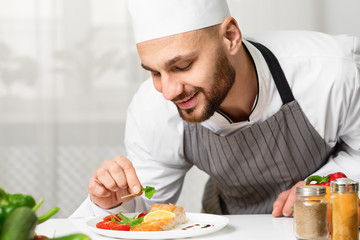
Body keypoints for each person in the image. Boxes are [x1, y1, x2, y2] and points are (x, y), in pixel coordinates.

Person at [71, 0, 360, 218]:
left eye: (182, 66)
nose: (169, 91)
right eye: (155, 73)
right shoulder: (152, 108)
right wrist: (112, 203)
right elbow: (144, 207)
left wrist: (322, 185)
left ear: (231, 36)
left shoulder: (333, 72)